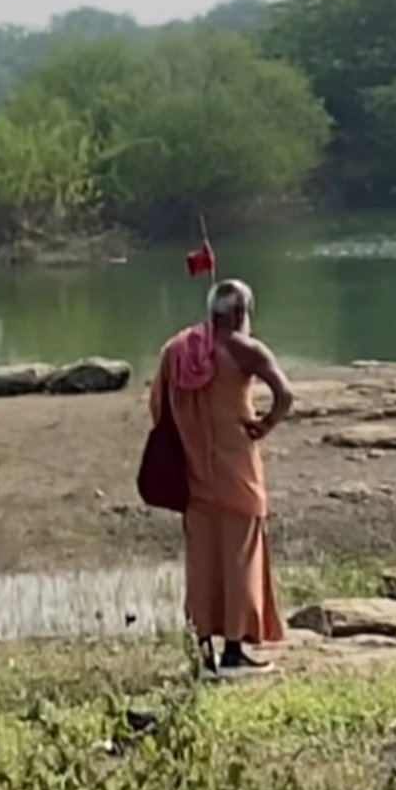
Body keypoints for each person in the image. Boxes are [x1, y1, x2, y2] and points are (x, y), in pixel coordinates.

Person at [150, 279, 293, 678]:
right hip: (237, 471)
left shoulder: (176, 350)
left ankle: (202, 653)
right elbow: (285, 395)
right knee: (241, 557)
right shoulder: (244, 349)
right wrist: (265, 426)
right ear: (238, 313)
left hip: (192, 473)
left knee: (202, 564)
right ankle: (234, 651)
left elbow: (158, 409)